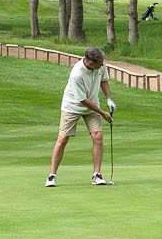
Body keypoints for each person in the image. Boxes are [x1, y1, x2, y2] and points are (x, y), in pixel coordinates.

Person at [47, 46, 114, 186]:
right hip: (72, 106)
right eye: (100, 63)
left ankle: (97, 175)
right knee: (63, 139)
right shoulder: (77, 74)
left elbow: (104, 80)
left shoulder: (100, 63)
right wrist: (102, 113)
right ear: (90, 63)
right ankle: (52, 176)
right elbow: (83, 100)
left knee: (98, 136)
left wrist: (108, 99)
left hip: (93, 104)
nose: (102, 65)